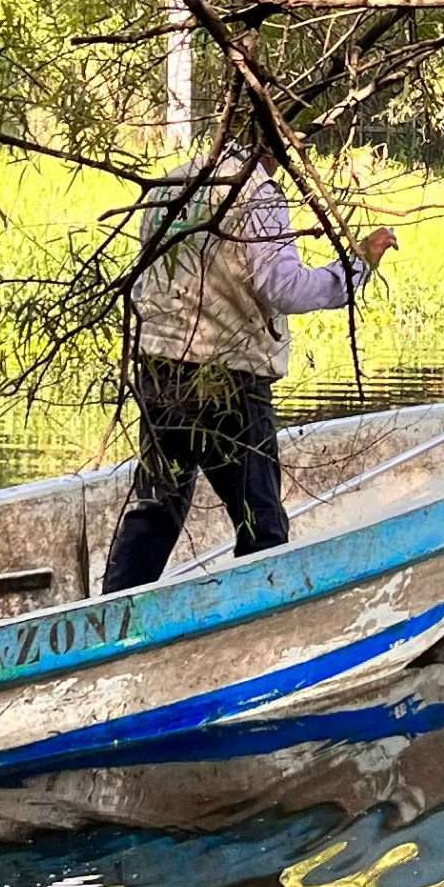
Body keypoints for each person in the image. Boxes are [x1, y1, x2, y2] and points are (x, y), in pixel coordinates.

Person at [101, 151, 395, 594]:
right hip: (229, 377)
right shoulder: (257, 194)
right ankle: (258, 622)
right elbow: (285, 288)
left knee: (156, 509)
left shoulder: (173, 183)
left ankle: (112, 616)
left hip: (160, 368)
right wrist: (355, 267)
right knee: (262, 523)